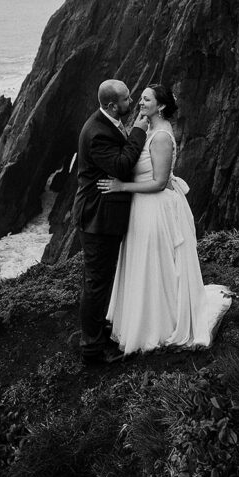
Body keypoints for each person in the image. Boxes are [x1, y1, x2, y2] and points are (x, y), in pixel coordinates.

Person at [98, 83, 231, 355]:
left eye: (146, 99)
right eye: (141, 98)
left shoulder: (160, 137)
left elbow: (159, 182)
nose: (140, 102)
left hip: (156, 207)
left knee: (157, 265)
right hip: (144, 208)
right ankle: (147, 317)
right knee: (149, 264)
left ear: (160, 106)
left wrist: (121, 187)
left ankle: (160, 323)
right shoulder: (150, 130)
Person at [72, 78, 149, 365]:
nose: (133, 103)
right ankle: (91, 347)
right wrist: (139, 132)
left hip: (100, 216)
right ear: (112, 106)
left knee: (98, 281)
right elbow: (120, 165)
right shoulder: (97, 133)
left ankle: (96, 331)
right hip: (97, 218)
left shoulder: (105, 122)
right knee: (96, 282)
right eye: (128, 100)